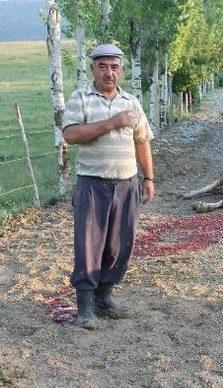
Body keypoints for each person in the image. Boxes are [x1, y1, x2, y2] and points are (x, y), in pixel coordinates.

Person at [62, 44, 155, 329]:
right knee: (88, 246)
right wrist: (112, 122)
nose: (109, 72)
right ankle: (85, 309)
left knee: (119, 245)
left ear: (121, 70)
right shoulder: (81, 98)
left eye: (114, 67)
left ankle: (105, 298)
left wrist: (148, 177)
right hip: (93, 184)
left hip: (126, 184)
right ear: (93, 69)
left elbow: (142, 142)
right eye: (102, 66)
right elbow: (71, 134)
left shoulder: (132, 102)